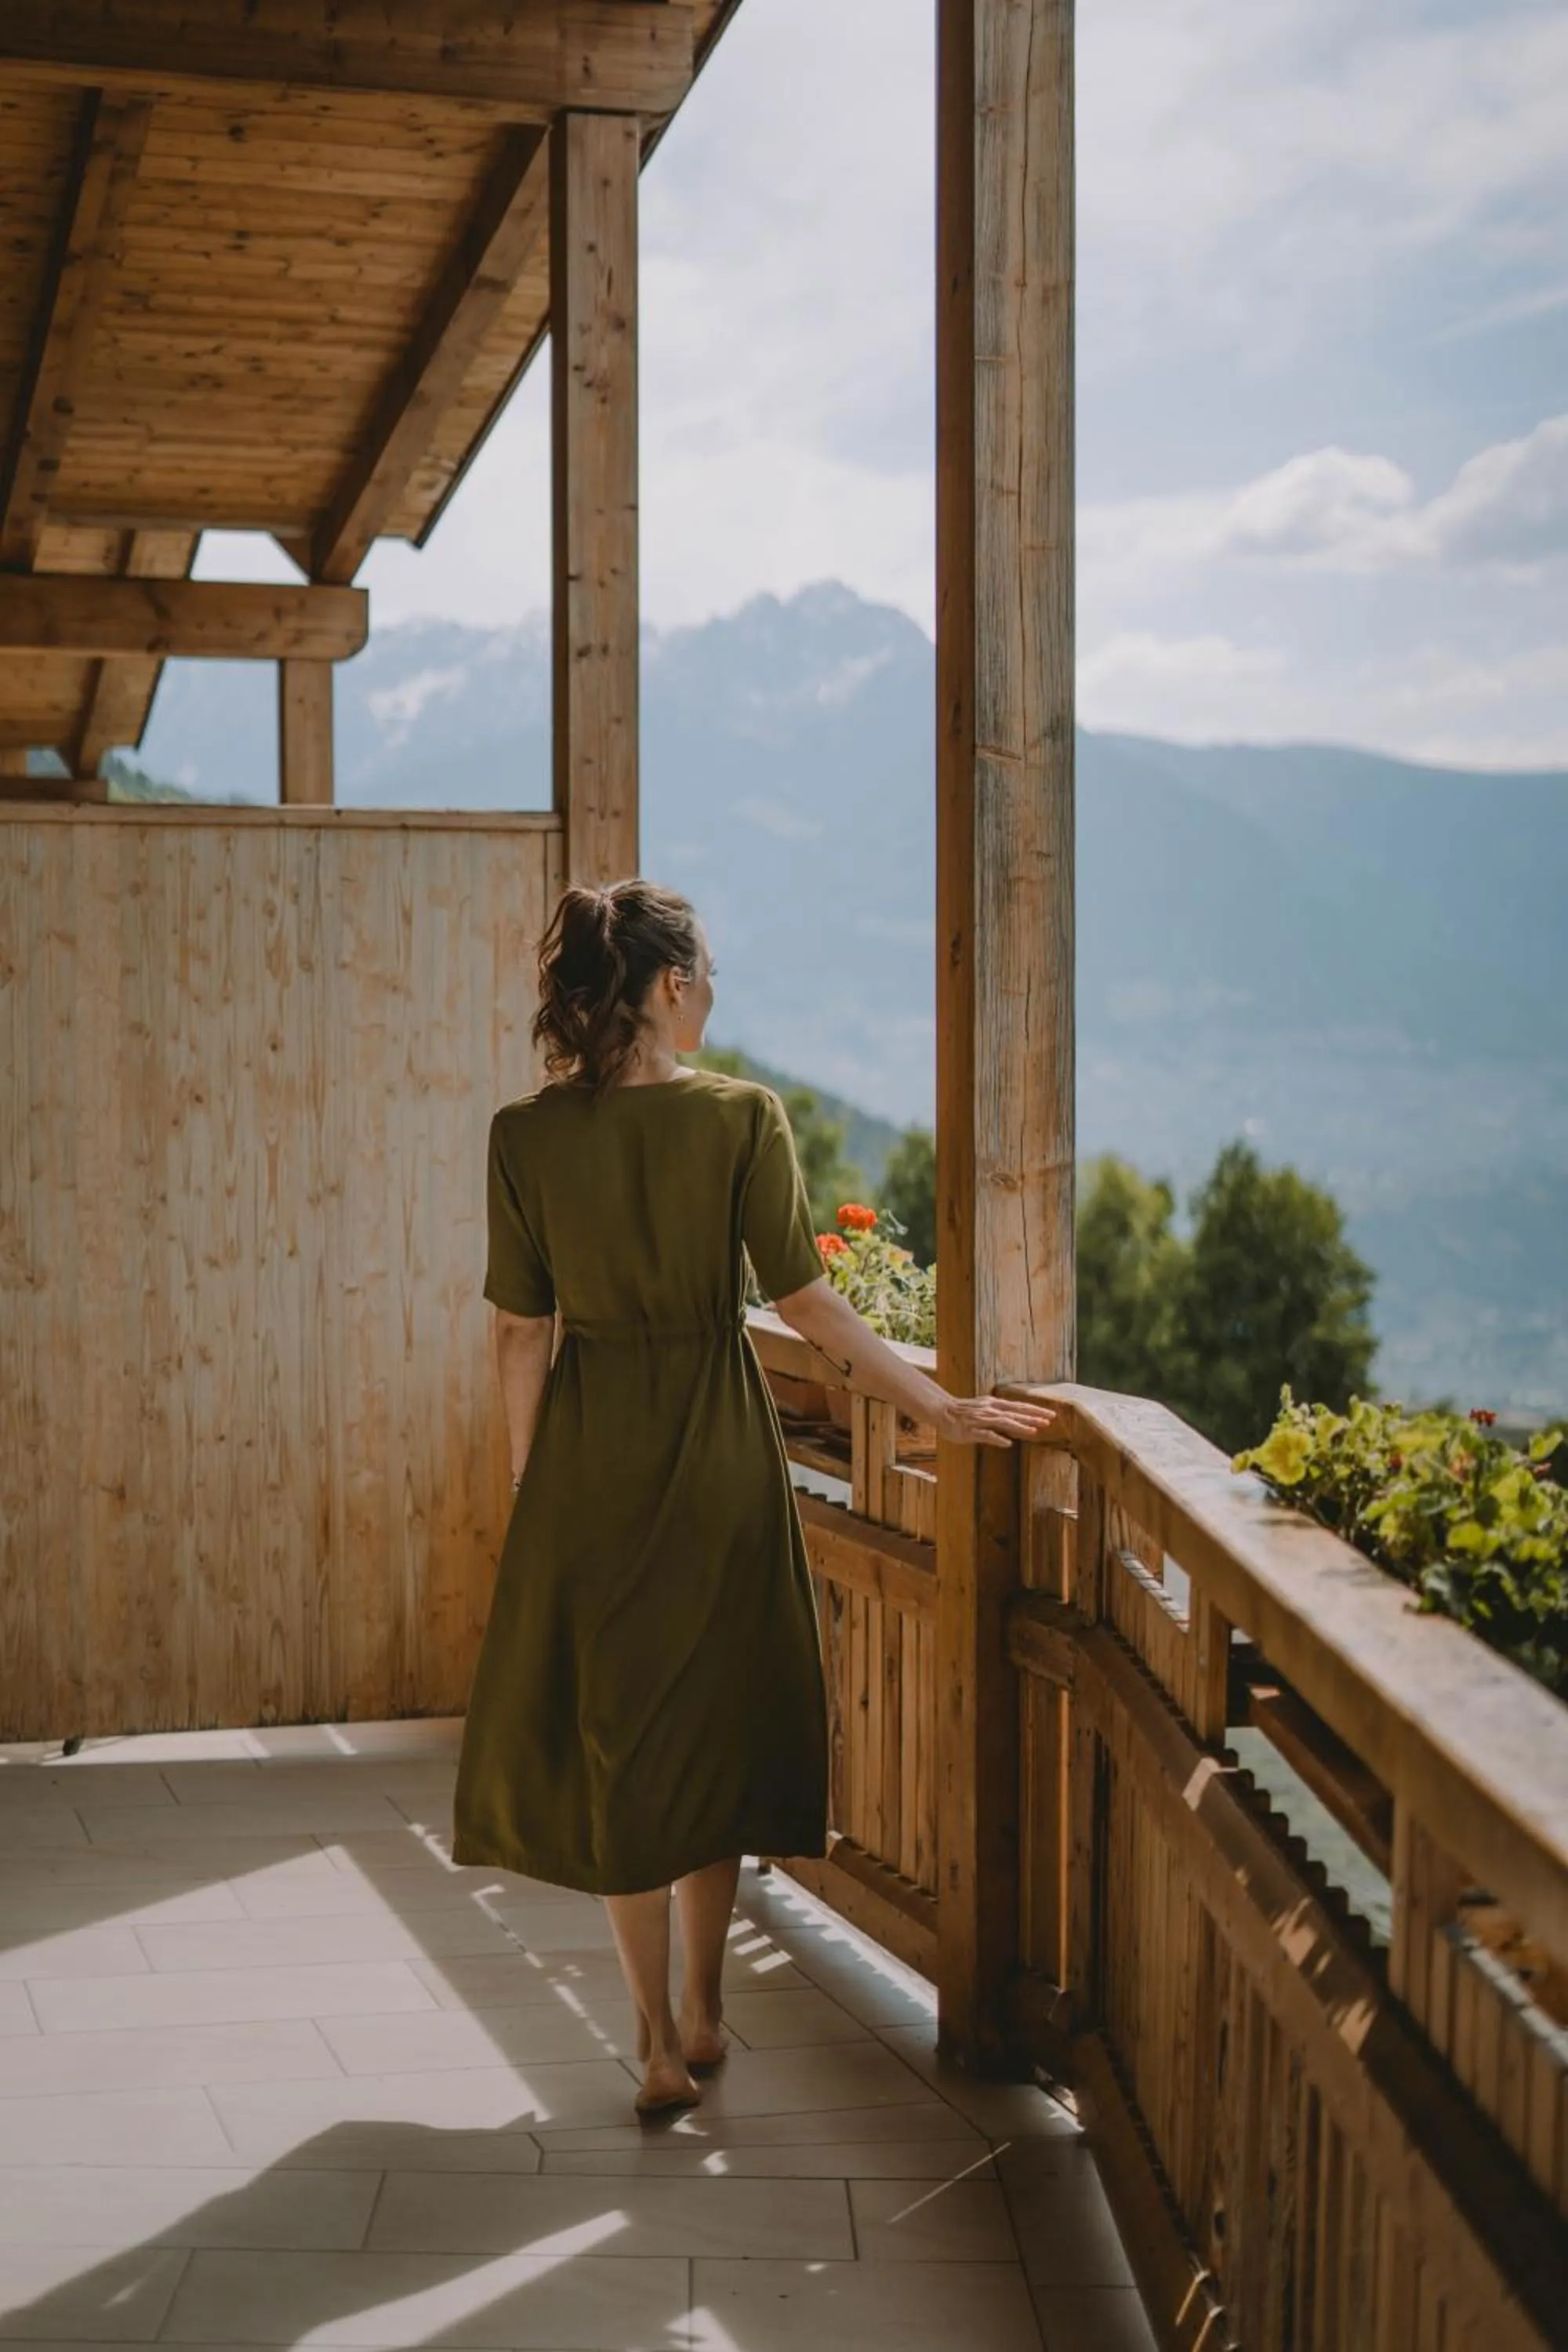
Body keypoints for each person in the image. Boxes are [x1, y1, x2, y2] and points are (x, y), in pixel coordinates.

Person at [452, 879, 1056, 2115]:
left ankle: (653, 2040)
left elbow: (521, 1335)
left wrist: (533, 1486)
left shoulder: (526, 1137)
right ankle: (711, 2009)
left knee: (625, 1744)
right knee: (714, 1728)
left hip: (589, 1461)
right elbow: (807, 1304)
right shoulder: (741, 1120)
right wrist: (935, 1406)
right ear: (671, 986)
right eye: (709, 974)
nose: (715, 995)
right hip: (719, 1450)